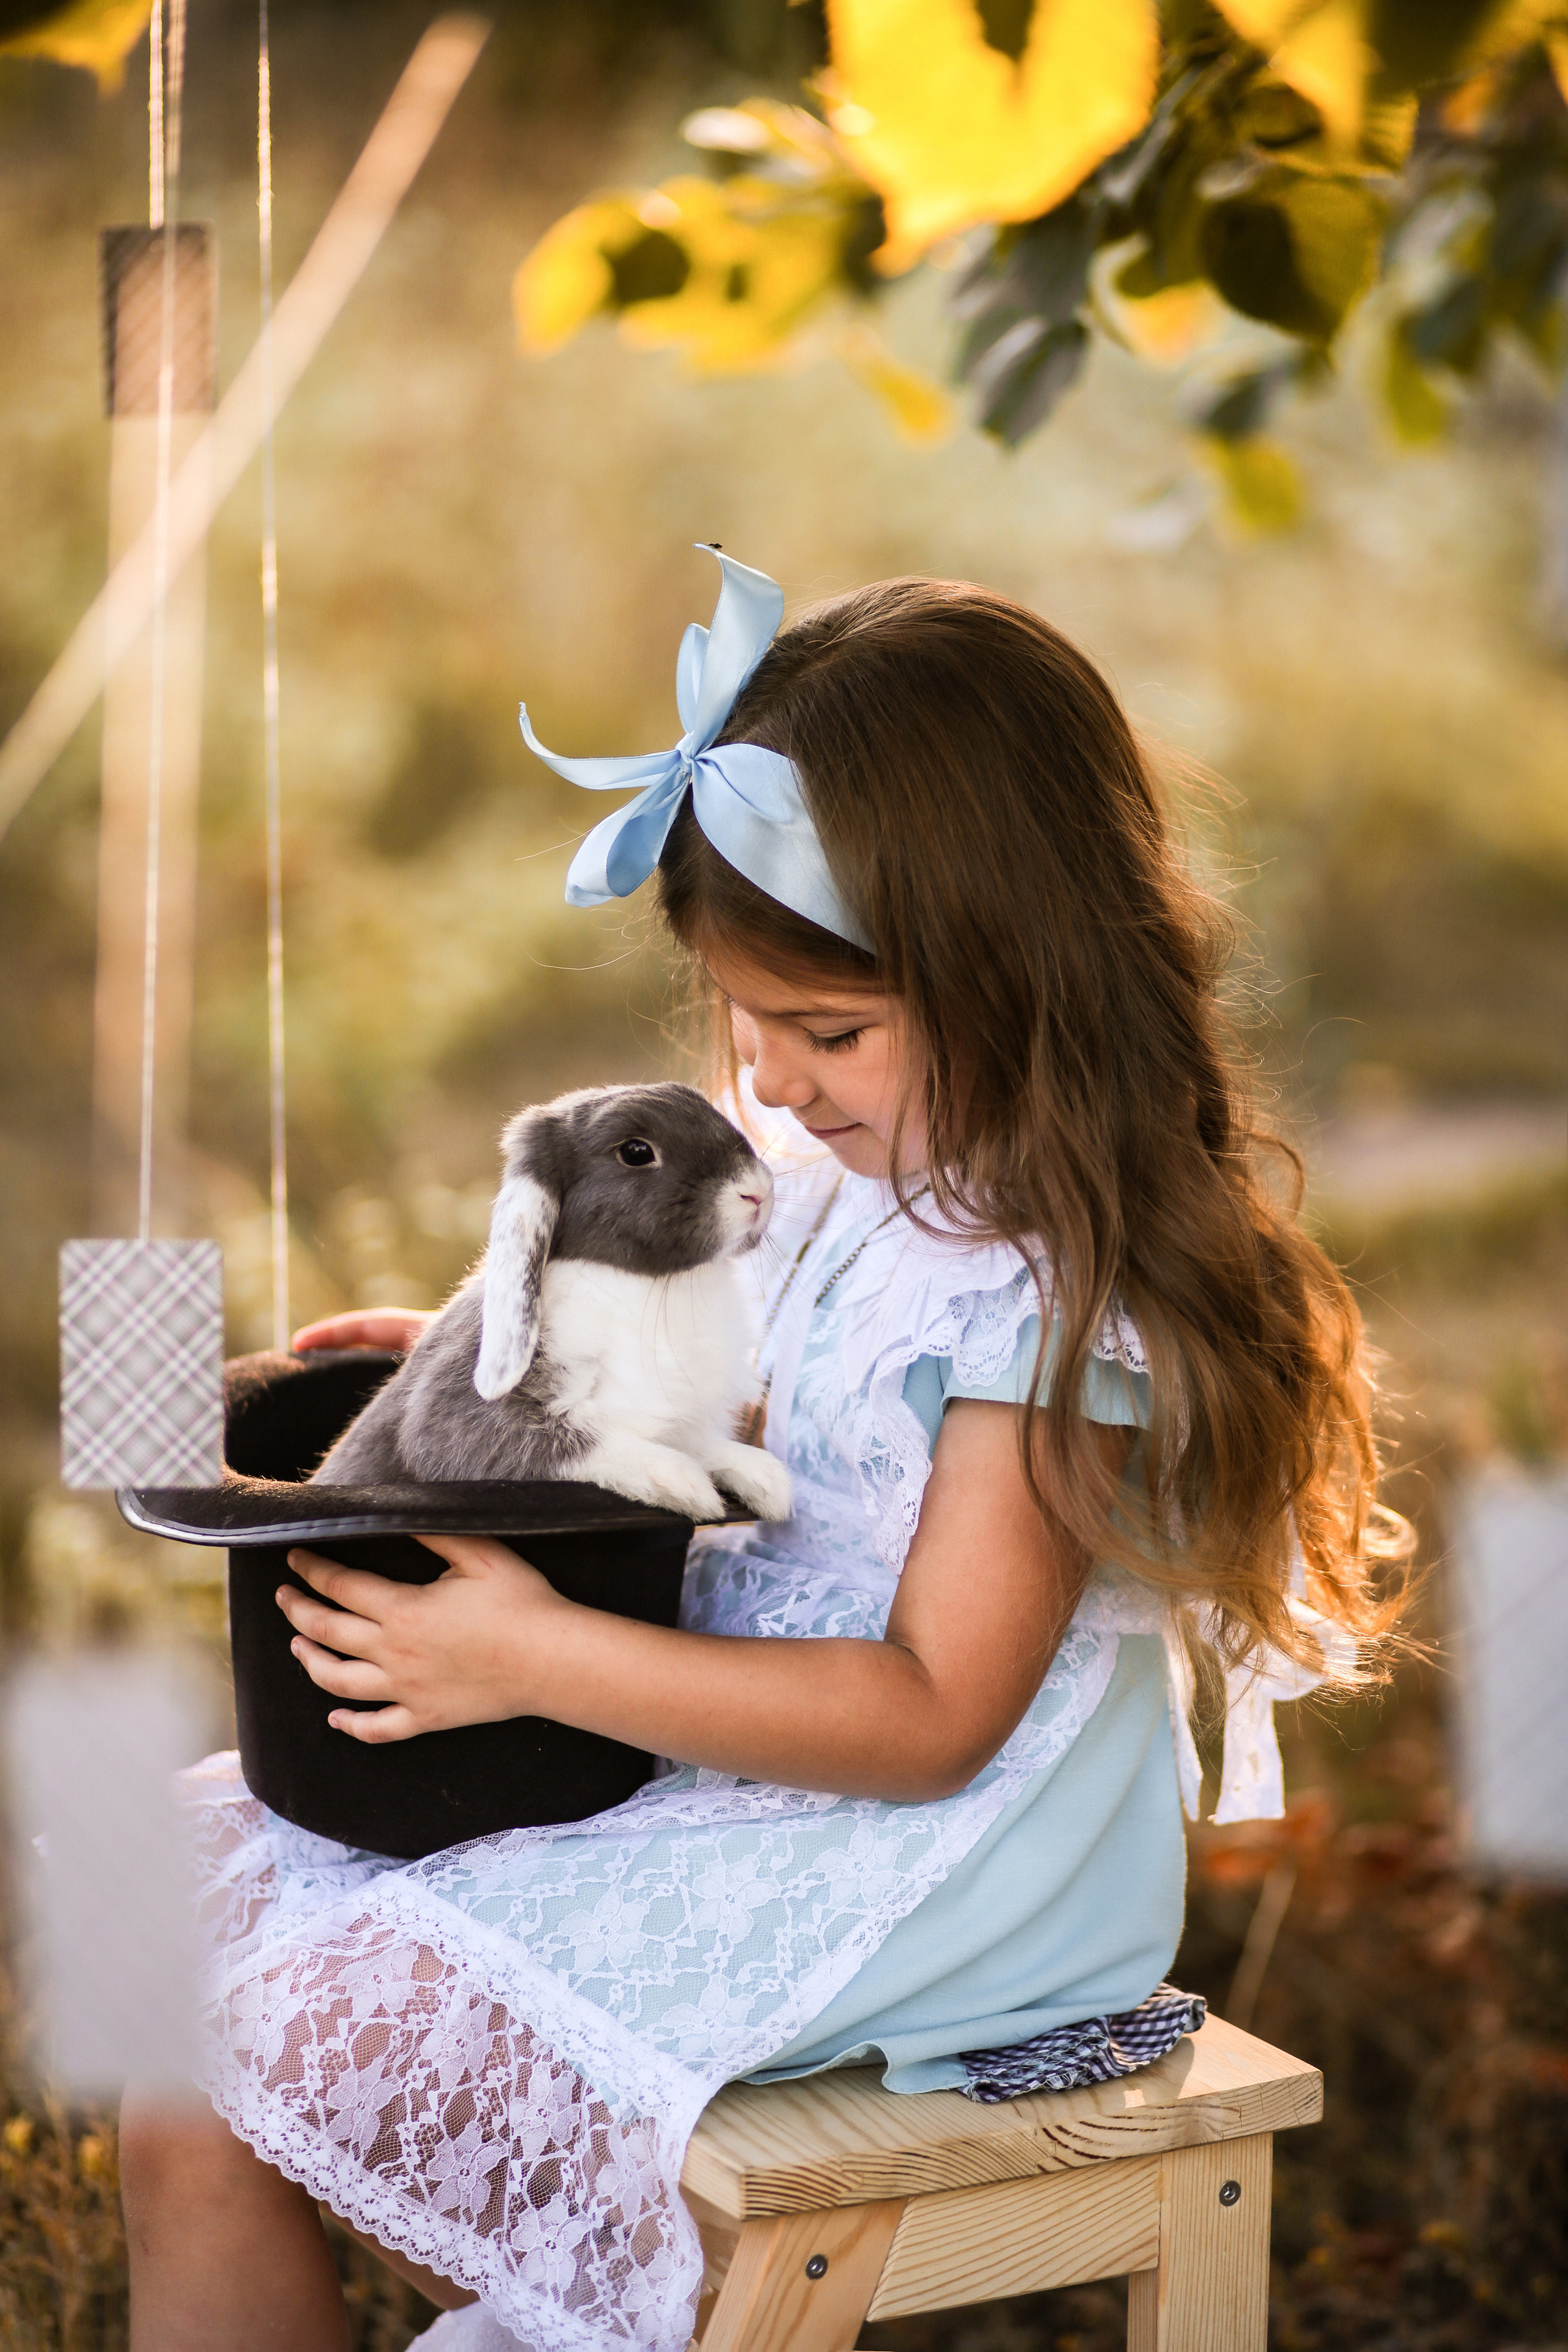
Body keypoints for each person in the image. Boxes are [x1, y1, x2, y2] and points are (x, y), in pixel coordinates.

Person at [119, 551, 1407, 2351]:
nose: (777, 1079)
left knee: (319, 2030)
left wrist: (526, 1652)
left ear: (1026, 976)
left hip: (951, 1859)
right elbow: (730, 1385)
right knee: (174, 1974)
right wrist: (464, 1376)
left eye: (832, 1030)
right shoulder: (831, 1177)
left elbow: (936, 1712)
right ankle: (547, 2289)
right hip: (740, 1724)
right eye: (748, 1019)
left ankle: (583, 2302)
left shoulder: (1046, 1303)